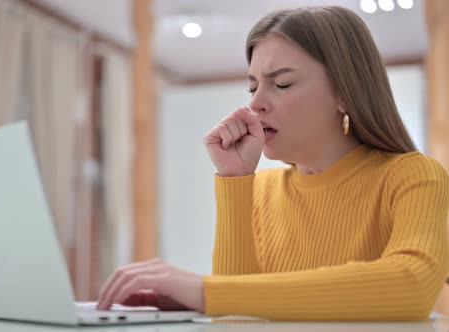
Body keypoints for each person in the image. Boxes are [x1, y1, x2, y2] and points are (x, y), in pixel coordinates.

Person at [96, 6, 449, 320]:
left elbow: (413, 285)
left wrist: (205, 292)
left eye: (281, 83)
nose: (256, 104)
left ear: (345, 92)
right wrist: (235, 180)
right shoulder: (260, 189)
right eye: (253, 87)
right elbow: (235, 319)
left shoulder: (413, 176)